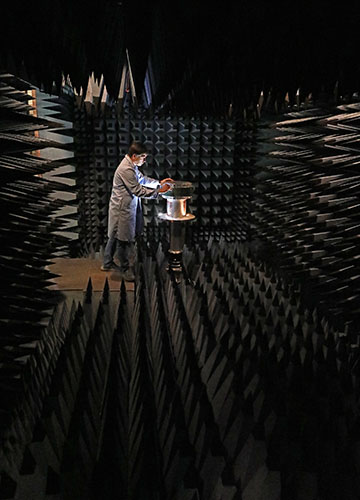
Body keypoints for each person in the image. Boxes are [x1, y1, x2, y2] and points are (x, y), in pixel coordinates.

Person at [101, 141, 173, 281]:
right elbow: (138, 190)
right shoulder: (126, 169)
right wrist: (159, 192)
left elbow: (142, 179)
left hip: (123, 207)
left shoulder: (131, 165)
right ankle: (125, 269)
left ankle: (106, 263)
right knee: (123, 240)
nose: (144, 160)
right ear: (134, 156)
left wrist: (159, 182)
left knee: (114, 235)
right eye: (143, 157)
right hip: (122, 211)